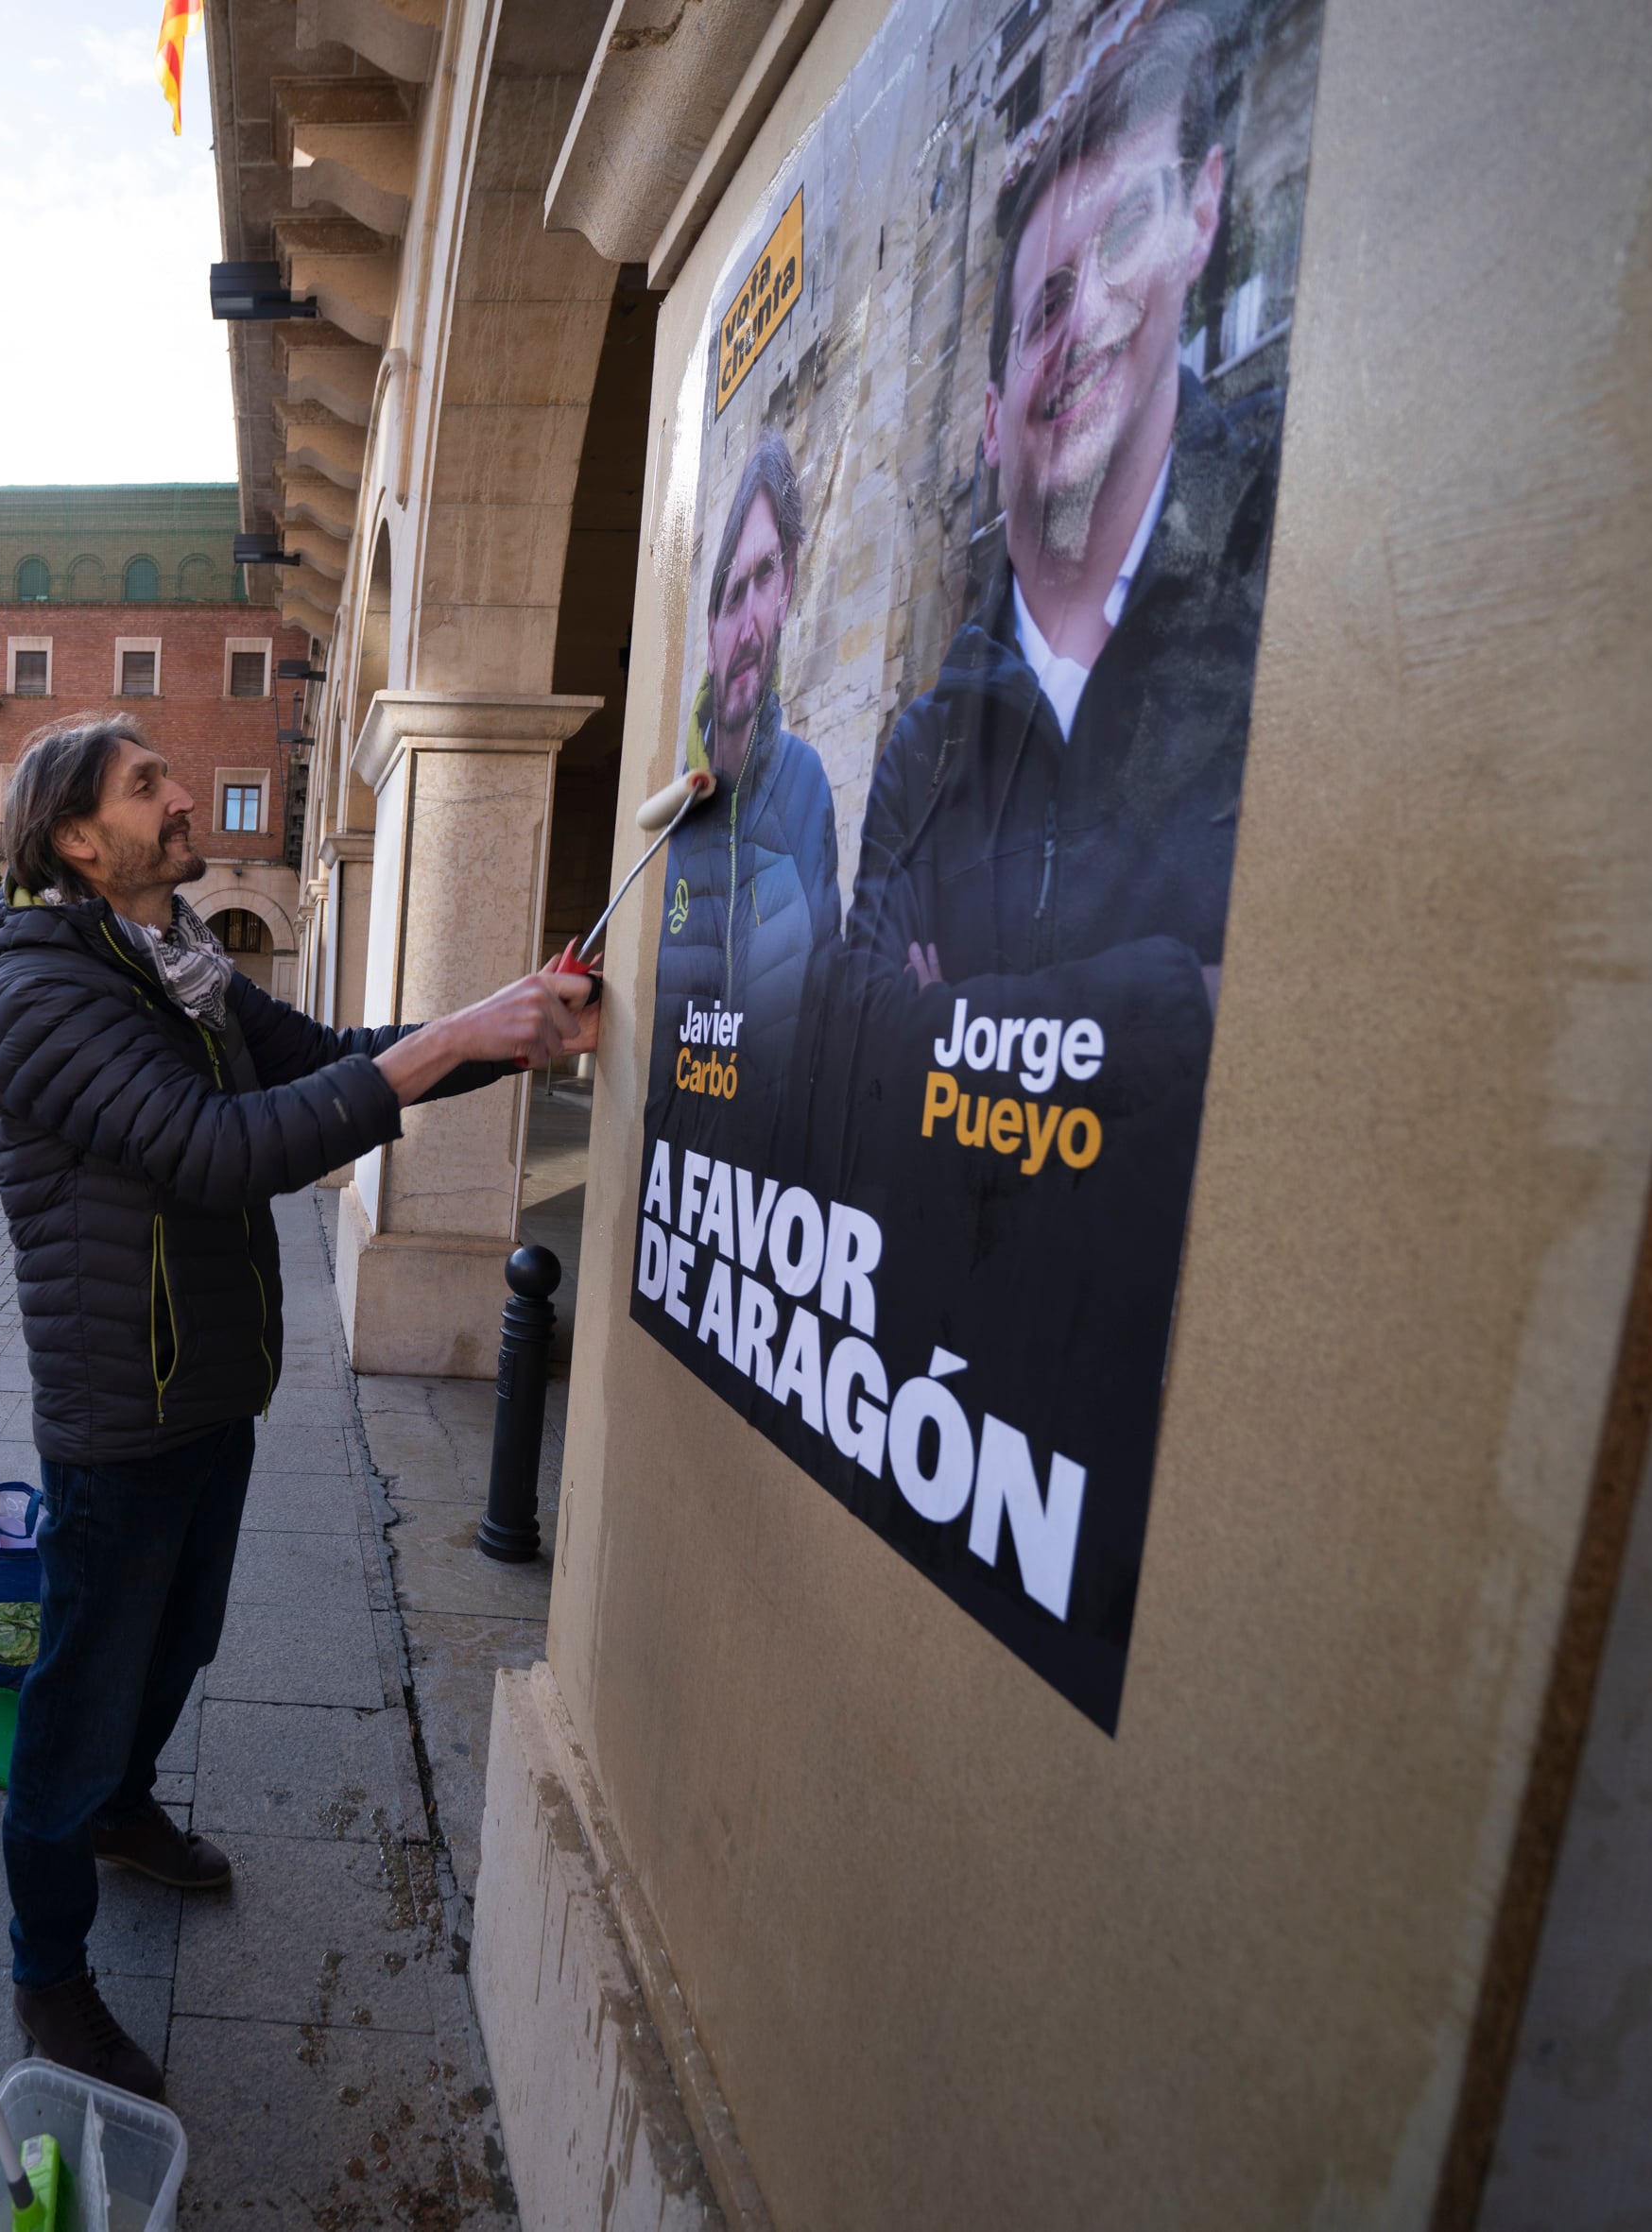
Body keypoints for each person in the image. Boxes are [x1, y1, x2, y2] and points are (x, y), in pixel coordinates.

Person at [0, 713, 597, 2097]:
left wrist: (502, 1025)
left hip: (206, 1378)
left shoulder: (180, 964)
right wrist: (453, 1043)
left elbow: (327, 1054)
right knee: (78, 1691)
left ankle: (125, 1812)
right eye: (148, 787)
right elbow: (217, 1151)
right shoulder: (46, 994)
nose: (183, 795)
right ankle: (45, 1971)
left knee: (178, 1638)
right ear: (77, 838)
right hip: (116, 1404)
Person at [817, 6, 1281, 1623]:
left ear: (1206, 214)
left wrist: (991, 1021)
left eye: (1123, 244)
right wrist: (1163, 1003)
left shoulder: (1284, 607)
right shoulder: (931, 733)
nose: (1076, 327)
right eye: (1035, 304)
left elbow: (1299, 1042)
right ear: (996, 377)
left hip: (1161, 1455)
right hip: (930, 1397)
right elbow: (853, 1053)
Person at [657, 428, 840, 1127]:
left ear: (788, 586)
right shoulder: (676, 810)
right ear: (709, 626)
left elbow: (827, 1005)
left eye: (765, 577)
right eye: (732, 594)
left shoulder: (806, 786)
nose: (748, 626)